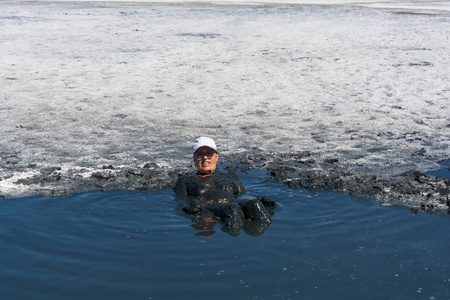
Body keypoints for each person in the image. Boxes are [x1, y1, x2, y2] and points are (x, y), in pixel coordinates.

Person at [174, 137, 275, 236]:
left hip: (235, 202)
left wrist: (261, 200)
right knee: (232, 209)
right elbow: (180, 201)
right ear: (194, 158)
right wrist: (190, 207)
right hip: (211, 208)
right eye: (200, 154)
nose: (205, 157)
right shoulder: (186, 180)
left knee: (254, 204)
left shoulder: (231, 175)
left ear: (216, 156)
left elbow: (244, 194)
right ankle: (235, 248)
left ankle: (273, 242)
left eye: (209, 153)